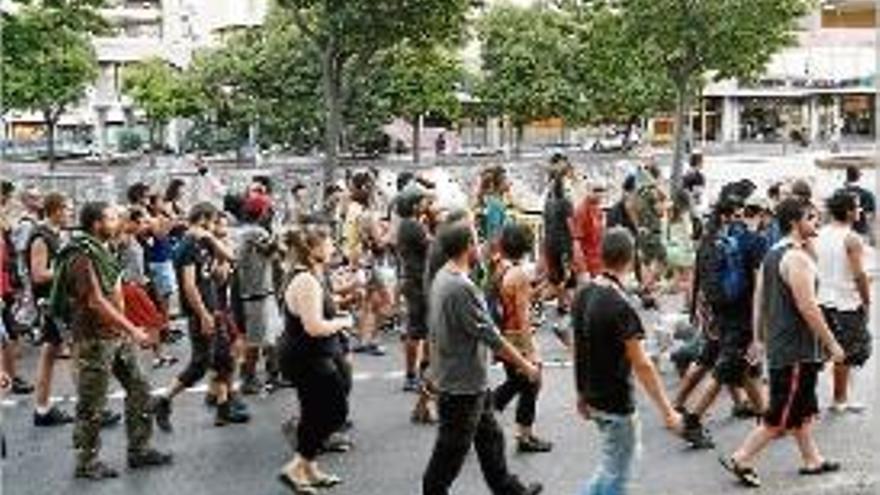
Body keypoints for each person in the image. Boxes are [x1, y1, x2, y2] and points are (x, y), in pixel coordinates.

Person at [720, 198, 846, 488]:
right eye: (810, 217)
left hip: (783, 345)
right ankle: (742, 457)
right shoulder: (796, 258)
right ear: (794, 222)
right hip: (796, 349)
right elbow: (808, 307)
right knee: (780, 414)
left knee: (800, 406)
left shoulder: (773, 254)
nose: (816, 221)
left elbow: (759, 299)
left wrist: (758, 337)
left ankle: (812, 459)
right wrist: (832, 344)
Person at [48, 201, 172, 479]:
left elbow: (115, 291)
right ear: (96, 224)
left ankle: (139, 450)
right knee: (92, 404)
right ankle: (86, 462)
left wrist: (129, 326)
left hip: (116, 336)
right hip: (94, 339)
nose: (118, 221)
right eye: (112, 217)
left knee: (140, 387)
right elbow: (95, 301)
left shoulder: (104, 248)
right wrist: (133, 329)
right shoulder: (82, 255)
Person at [421, 219, 543, 495]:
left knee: (491, 441)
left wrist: (431, 370)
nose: (482, 245)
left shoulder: (443, 277)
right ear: (467, 247)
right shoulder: (461, 287)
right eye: (476, 240)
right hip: (462, 385)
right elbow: (492, 337)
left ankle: (511, 491)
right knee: (447, 457)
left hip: (466, 380)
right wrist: (526, 364)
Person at [572, 227, 682, 495]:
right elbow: (642, 364)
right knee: (617, 476)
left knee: (611, 468)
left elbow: (578, 348)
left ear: (601, 253)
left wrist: (580, 393)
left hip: (593, 396)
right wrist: (668, 411)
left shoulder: (584, 293)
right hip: (615, 401)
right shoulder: (620, 304)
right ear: (631, 258)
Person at [153, 202, 248, 430]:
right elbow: (189, 285)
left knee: (225, 359)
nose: (215, 225)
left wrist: (213, 241)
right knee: (200, 364)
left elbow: (228, 259)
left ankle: (223, 409)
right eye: (213, 220)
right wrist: (203, 314)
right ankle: (163, 400)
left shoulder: (203, 242)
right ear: (204, 218)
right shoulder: (188, 245)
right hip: (202, 312)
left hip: (214, 307)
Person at [276, 224, 354, 493]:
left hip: (311, 354)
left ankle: (309, 468)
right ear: (312, 250)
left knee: (314, 413)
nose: (333, 246)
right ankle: (296, 467)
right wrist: (344, 322)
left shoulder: (310, 275)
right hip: (306, 356)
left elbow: (319, 312)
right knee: (334, 411)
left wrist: (340, 305)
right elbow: (314, 326)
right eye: (329, 242)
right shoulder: (305, 280)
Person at [491, 222, 552, 453]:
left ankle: (522, 434)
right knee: (530, 381)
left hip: (504, 334)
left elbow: (514, 302)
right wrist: (531, 353)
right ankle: (520, 434)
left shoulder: (501, 267)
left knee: (520, 384)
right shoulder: (519, 275)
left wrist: (539, 288)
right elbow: (523, 316)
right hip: (516, 337)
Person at [816, 190, 872, 413]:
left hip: (824, 299)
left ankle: (841, 397)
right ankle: (840, 399)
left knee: (834, 350)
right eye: (857, 207)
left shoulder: (820, 233)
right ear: (849, 211)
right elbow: (859, 275)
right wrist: (867, 302)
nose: (860, 211)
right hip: (846, 302)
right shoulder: (851, 238)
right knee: (845, 354)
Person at [235, 192, 281, 394]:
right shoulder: (256, 233)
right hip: (257, 292)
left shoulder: (245, 231)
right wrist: (278, 231)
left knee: (270, 334)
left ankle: (273, 372)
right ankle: (248, 378)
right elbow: (273, 251)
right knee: (256, 339)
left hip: (256, 290)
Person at [396, 187, 432, 393]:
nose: (426, 205)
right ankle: (412, 375)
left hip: (414, 280)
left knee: (421, 329)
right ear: (414, 205)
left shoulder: (409, 225)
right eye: (423, 202)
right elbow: (433, 247)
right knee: (417, 330)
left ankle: (421, 371)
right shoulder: (413, 226)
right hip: (418, 283)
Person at [572, 181, 607, 281]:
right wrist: (583, 269)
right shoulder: (581, 211)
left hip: (598, 264)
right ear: (587, 191)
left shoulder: (598, 210)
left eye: (601, 190)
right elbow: (576, 243)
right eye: (596, 190)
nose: (599, 194)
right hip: (586, 265)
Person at [838, 166, 876, 243]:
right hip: (861, 232)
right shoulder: (867, 194)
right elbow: (871, 216)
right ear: (859, 177)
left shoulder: (838, 193)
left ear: (847, 176)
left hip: (841, 234)